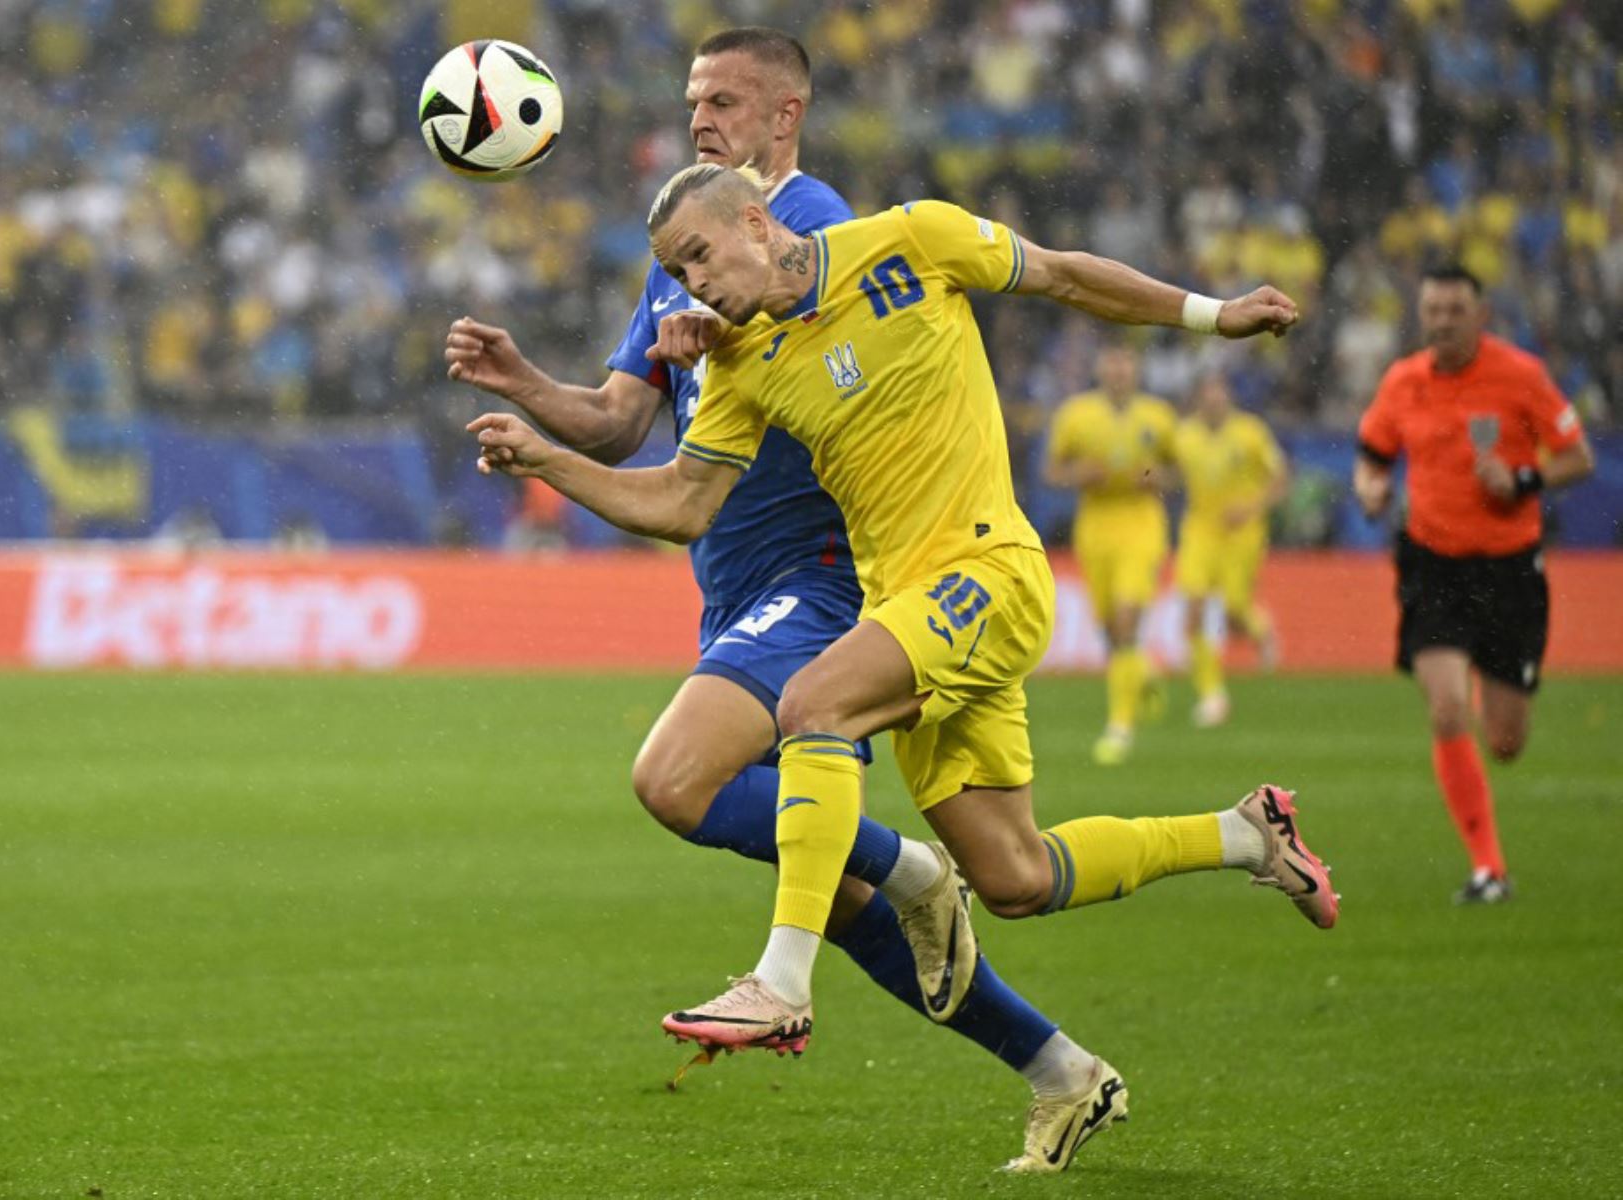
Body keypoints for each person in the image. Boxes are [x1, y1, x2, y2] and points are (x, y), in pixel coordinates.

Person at [469, 163, 1337, 1172]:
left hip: (988, 573)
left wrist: (1211, 314)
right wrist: (545, 459)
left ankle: (782, 981)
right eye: (673, 270)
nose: (692, 283)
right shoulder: (745, 362)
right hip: (906, 617)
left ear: (758, 220)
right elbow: (681, 503)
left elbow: (1058, 276)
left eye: (700, 255)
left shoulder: (910, 239)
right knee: (1014, 876)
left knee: (814, 703)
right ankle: (1245, 836)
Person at [445, 28, 1110, 1166]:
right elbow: (621, 419)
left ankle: (904, 869)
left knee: (675, 779)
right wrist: (528, 385)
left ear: (783, 116)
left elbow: (812, 356)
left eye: (724, 99)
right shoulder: (682, 241)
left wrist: (734, 325)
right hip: (733, 590)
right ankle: (1061, 1067)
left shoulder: (808, 232)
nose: (700, 115)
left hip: (824, 578)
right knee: (841, 897)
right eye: (692, 97)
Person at [1353, 263, 1594, 904]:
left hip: (1511, 569)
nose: (1441, 321)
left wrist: (1521, 483)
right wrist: (1372, 490)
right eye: (1432, 309)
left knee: (1507, 742)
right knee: (1446, 707)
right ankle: (1489, 868)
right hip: (1433, 565)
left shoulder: (1521, 376)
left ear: (1480, 314)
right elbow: (1371, 458)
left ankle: (1491, 693)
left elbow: (1578, 456)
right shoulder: (1403, 381)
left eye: (1455, 310)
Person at [1042, 342, 1176, 764]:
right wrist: (1080, 474)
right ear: (1102, 369)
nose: (1119, 372)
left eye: (1126, 364)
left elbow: (1176, 472)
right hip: (1095, 528)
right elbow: (1051, 470)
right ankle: (1145, 671)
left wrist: (1152, 478)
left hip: (1142, 524)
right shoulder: (1076, 415)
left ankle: (1119, 728)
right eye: (1113, 364)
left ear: (1135, 371)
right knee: (1111, 631)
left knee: (1124, 618)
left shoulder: (1158, 417)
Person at [1172, 371, 1288, 727]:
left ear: (1229, 397)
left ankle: (1260, 629)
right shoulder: (1183, 436)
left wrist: (1250, 508)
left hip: (1242, 534)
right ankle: (1212, 695)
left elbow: (1281, 480)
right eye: (1207, 395)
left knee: (1234, 610)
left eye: (1219, 394)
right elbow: (1162, 469)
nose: (1214, 401)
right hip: (1199, 531)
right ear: (1199, 400)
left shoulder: (1250, 433)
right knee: (1192, 613)